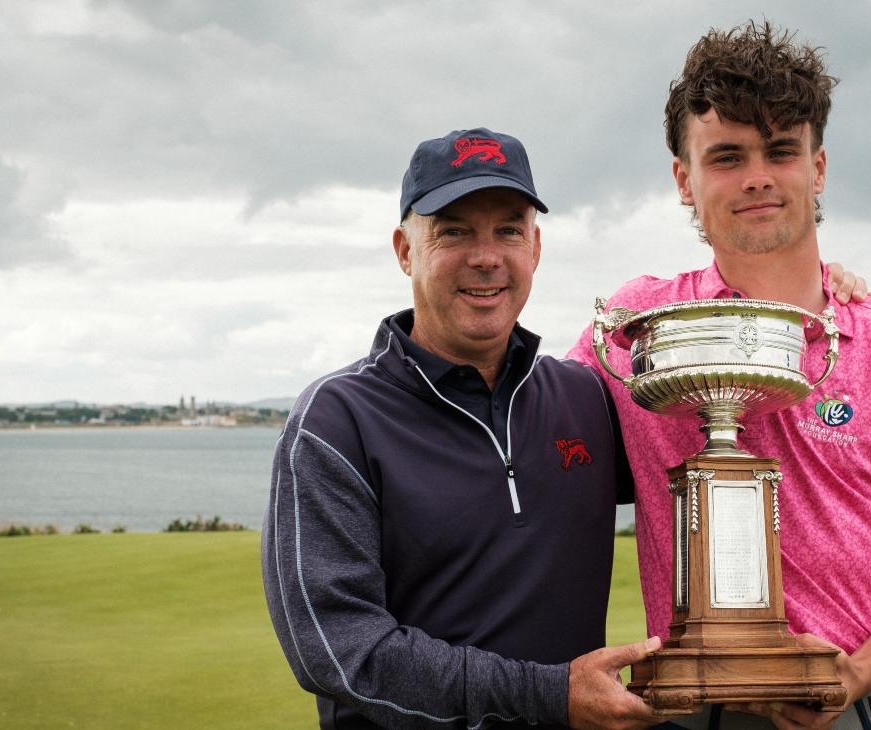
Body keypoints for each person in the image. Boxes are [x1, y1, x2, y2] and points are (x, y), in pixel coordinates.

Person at [568, 23, 871, 730]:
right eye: (728, 156)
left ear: (818, 167)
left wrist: (854, 675)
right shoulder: (638, 325)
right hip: (682, 715)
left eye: (781, 151)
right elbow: (523, 415)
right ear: (685, 179)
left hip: (850, 715)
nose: (758, 176)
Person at [262, 127, 662, 730]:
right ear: (404, 250)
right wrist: (548, 694)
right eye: (453, 230)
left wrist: (821, 289)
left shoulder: (587, 398)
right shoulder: (335, 420)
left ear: (535, 247)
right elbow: (342, 652)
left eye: (508, 229)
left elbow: (715, 450)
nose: (486, 256)